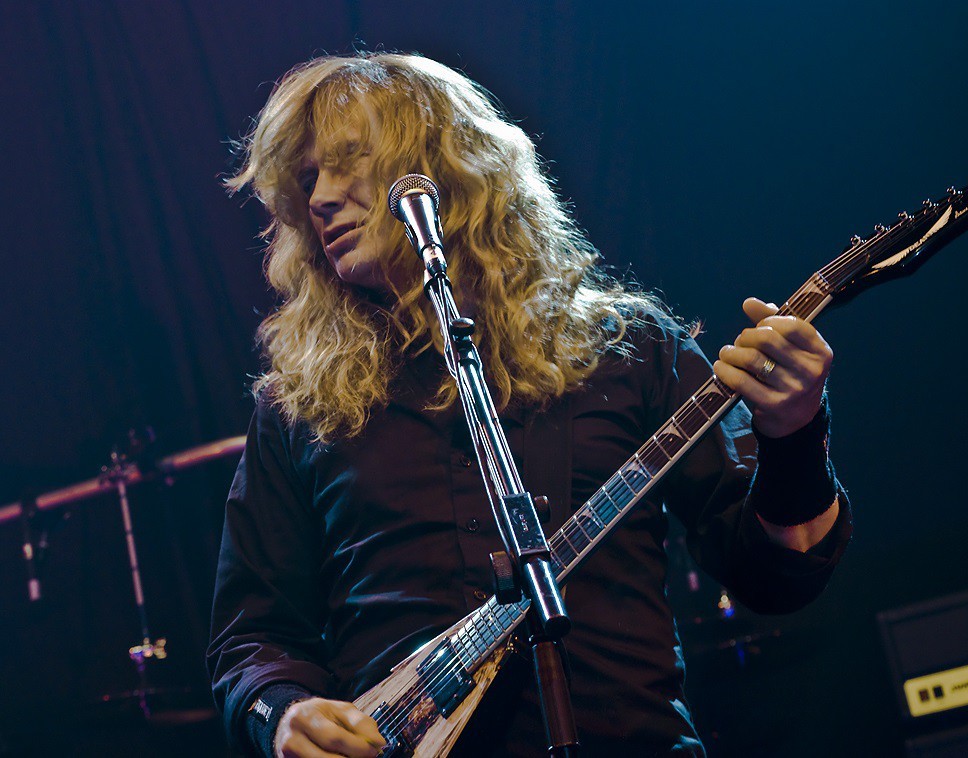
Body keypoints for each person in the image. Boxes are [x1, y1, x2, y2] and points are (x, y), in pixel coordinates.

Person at [207, 52, 851, 758]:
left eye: (347, 162)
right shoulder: (300, 407)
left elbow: (774, 576)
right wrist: (283, 714)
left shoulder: (629, 350)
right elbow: (252, 636)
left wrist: (794, 434)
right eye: (307, 180)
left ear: (445, 164)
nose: (321, 197)